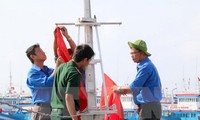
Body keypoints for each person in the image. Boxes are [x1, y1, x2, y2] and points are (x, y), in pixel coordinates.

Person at [112, 39, 162, 120]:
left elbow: (134, 86)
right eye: (131, 53)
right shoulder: (146, 65)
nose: (131, 56)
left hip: (149, 107)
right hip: (150, 107)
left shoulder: (146, 67)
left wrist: (118, 88)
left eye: (133, 53)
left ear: (142, 53)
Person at [50, 44, 95, 120]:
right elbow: (69, 97)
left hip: (54, 113)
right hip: (65, 115)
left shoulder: (61, 67)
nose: (88, 63)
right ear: (85, 59)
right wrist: (74, 118)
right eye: (89, 60)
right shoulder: (74, 73)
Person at [26, 43, 63, 120]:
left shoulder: (48, 70)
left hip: (54, 108)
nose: (43, 52)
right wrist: (57, 66)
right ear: (33, 57)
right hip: (42, 108)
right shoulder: (32, 73)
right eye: (40, 51)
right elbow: (47, 83)